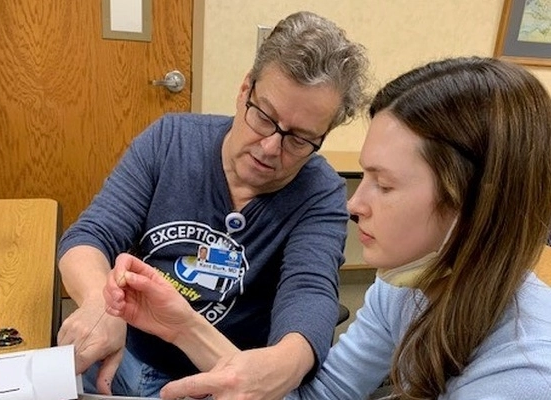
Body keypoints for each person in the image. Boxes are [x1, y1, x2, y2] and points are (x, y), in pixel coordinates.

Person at [103, 56, 551, 400]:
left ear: (471, 204)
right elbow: (326, 395)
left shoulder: (527, 371)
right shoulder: (406, 284)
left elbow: (310, 292)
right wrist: (185, 327)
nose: (355, 204)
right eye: (365, 176)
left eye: (385, 184)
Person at [56, 10, 369, 398]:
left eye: (300, 139)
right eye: (264, 117)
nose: (271, 148)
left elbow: (311, 292)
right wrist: (96, 304)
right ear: (244, 90)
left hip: (218, 379)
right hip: (120, 356)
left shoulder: (320, 192)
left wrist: (285, 363)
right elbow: (90, 235)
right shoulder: (170, 140)